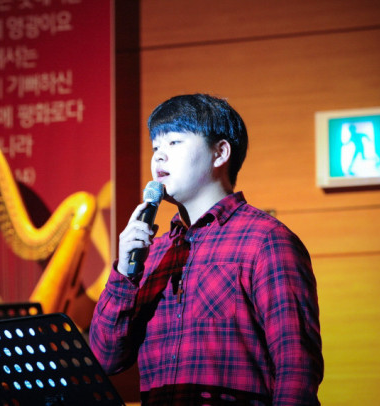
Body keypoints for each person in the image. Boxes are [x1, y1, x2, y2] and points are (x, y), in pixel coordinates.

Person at [89, 94, 323, 405]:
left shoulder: (265, 240)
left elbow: (297, 369)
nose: (159, 157)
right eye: (156, 147)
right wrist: (125, 273)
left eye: (174, 142)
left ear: (220, 153)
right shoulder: (154, 253)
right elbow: (105, 360)